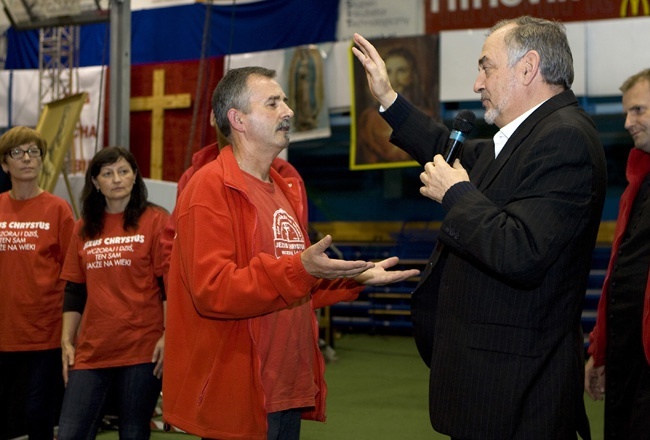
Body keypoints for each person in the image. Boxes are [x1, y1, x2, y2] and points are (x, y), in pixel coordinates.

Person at [353, 15, 606, 439]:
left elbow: (522, 250)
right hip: (493, 386)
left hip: (516, 395)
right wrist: (388, 98)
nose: (476, 83)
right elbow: (442, 150)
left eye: (485, 67)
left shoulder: (565, 138)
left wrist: (456, 195)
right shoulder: (523, 136)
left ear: (527, 68)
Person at [162, 66, 420, 439]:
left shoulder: (281, 188)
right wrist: (300, 268)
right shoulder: (208, 189)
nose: (289, 111)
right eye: (273, 103)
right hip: (241, 394)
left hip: (286, 390)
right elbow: (213, 291)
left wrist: (354, 276)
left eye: (284, 100)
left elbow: (294, 286)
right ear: (238, 120)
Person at [58, 146, 169, 439]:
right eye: (107, 173)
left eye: (123, 171)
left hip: (141, 348)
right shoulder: (83, 228)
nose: (116, 179)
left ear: (135, 176)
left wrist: (167, 334)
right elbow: (74, 289)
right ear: (95, 182)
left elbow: (168, 284)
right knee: (70, 432)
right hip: (92, 350)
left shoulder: (156, 220)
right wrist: (66, 341)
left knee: (133, 433)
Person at [160, 109, 308, 285]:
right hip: (215, 299)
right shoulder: (194, 176)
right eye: (222, 113)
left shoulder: (286, 176)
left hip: (279, 299)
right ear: (212, 118)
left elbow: (297, 247)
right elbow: (173, 244)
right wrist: (184, 293)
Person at [585, 68, 650, 439]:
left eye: (638, 110)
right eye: (627, 112)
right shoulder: (636, 182)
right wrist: (601, 349)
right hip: (627, 362)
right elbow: (619, 275)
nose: (628, 122)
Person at [0, 126, 75, 440]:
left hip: (44, 334)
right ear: (5, 164)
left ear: (42, 160)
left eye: (34, 152)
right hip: (4, 332)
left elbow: (73, 274)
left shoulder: (58, 209)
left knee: (37, 416)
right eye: (18, 153)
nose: (27, 159)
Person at [356, 45, 433, 165]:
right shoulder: (368, 120)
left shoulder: (426, 118)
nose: (394, 79)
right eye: (389, 72)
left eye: (401, 70)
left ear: (413, 75)